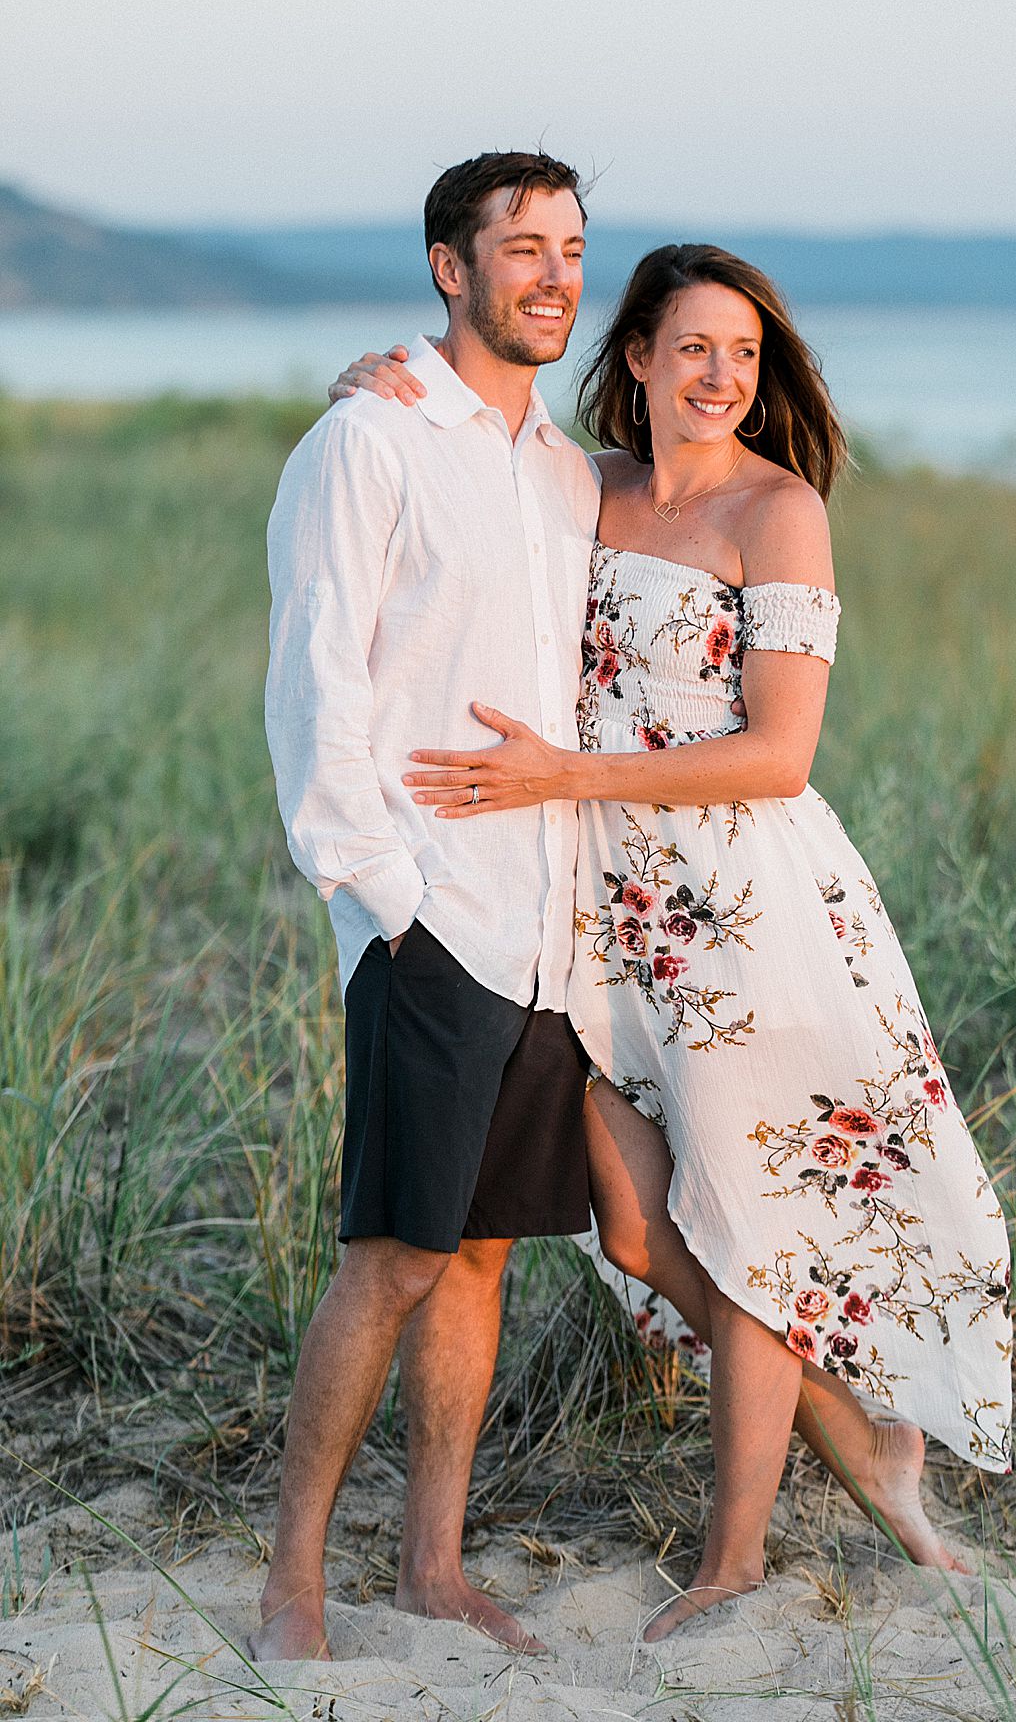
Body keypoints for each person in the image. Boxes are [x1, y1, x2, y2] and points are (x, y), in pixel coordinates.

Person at [333, 245, 1013, 1642]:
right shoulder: (581, 487)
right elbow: (460, 446)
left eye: (746, 357)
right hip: (590, 913)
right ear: (634, 356)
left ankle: (734, 1558)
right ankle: (859, 1430)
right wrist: (377, 386)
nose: (722, 378)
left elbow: (776, 755)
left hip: (737, 913)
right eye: (693, 348)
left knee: (742, 1225)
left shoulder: (782, 513)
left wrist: (561, 781)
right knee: (639, 1231)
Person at [257, 149, 601, 1660]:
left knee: (479, 1252)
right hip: (435, 914)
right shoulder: (368, 442)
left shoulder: (568, 467)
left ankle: (434, 1568)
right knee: (393, 1253)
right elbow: (314, 684)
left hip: (548, 922)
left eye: (574, 249)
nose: (554, 276)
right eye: (520, 248)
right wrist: (388, 899)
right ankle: (294, 1584)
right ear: (450, 270)